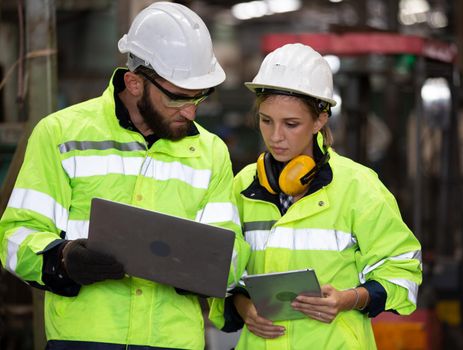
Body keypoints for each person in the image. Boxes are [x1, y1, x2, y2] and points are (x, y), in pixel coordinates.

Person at [0, 2, 249, 350]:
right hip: (84, 340)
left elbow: (233, 253)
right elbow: (16, 235)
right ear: (134, 83)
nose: (191, 111)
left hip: (173, 342)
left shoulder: (210, 152)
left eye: (200, 97)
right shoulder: (61, 135)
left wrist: (200, 267)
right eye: (178, 98)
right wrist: (64, 259)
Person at [220, 43, 423, 349]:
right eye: (266, 121)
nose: (275, 137)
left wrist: (350, 298)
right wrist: (242, 307)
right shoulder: (243, 186)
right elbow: (223, 272)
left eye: (291, 124)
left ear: (320, 120)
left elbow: (403, 270)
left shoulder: (358, 187)